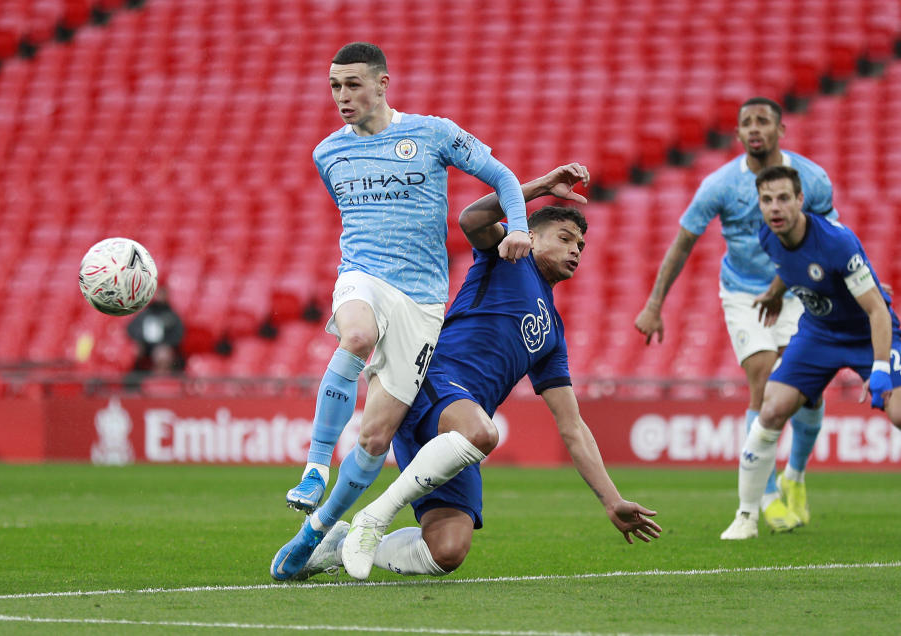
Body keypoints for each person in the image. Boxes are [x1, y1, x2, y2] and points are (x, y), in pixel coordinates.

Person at [272, 164, 661, 581]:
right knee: (484, 432)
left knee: (447, 551)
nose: (575, 251)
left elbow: (574, 427)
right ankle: (374, 518)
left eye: (581, 246)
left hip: (455, 432)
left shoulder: (553, 335)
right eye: (565, 238)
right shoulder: (511, 258)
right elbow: (471, 219)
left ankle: (338, 545)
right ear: (530, 236)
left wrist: (610, 500)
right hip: (429, 385)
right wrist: (535, 190)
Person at [284, 41, 531, 518]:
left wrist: (518, 226)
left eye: (353, 84)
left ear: (382, 84)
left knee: (375, 438)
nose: (342, 96)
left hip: (421, 301)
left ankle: (317, 532)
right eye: (335, 85)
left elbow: (501, 177)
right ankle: (315, 466)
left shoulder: (433, 133)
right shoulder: (327, 152)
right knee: (355, 336)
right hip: (362, 275)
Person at [634, 97, 837, 532]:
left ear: (781, 129)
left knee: (807, 392)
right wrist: (654, 304)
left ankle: (795, 476)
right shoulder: (720, 184)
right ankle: (763, 497)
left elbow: (832, 235)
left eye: (763, 121)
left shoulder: (811, 179)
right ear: (738, 134)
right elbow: (683, 242)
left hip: (797, 289)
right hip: (744, 293)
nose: (754, 128)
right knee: (763, 380)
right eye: (746, 123)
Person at [720, 165, 901, 539]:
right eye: (767, 200)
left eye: (784, 198)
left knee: (899, 413)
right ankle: (746, 516)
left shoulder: (837, 241)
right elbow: (791, 265)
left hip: (868, 334)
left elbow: (877, 310)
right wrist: (773, 293)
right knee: (770, 409)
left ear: (801, 200)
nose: (775, 207)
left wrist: (880, 367)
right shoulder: (768, 235)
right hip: (818, 334)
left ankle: (793, 479)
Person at [125, 286, 185, 374]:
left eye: (162, 294)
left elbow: (179, 334)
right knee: (134, 351)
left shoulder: (172, 315)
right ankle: (133, 377)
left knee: (162, 354)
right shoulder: (145, 313)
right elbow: (131, 329)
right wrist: (140, 339)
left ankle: (159, 381)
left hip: (162, 345)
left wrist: (167, 343)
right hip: (145, 345)